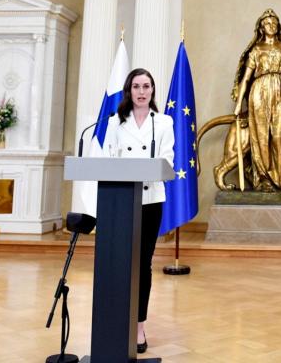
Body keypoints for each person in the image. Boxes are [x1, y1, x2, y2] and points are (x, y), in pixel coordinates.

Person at [105, 68, 175, 354]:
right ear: (128, 90)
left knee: (142, 264)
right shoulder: (114, 123)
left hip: (151, 200)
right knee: (121, 262)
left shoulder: (165, 122)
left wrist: (147, 170)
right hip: (120, 201)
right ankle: (116, 323)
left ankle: (139, 326)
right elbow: (108, 158)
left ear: (153, 91)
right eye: (136, 86)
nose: (142, 91)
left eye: (147, 86)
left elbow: (167, 159)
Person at [232, 8, 281, 192]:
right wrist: (239, 103)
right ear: (261, 27)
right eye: (267, 23)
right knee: (261, 136)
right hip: (259, 91)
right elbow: (246, 78)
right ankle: (264, 179)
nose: (271, 26)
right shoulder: (256, 50)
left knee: (280, 135)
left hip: (280, 90)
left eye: (274, 23)